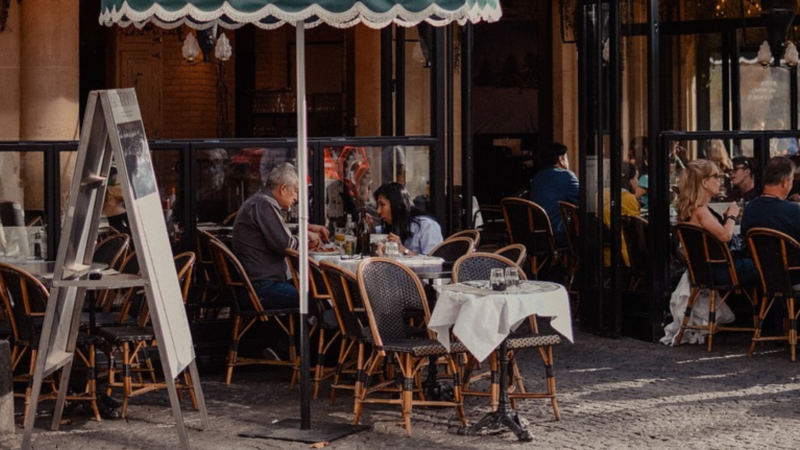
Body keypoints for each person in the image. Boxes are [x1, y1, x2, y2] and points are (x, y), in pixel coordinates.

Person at [232, 163, 329, 310]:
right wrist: (306, 236)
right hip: (260, 288)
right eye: (295, 191)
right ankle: (322, 332)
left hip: (256, 283)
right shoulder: (264, 204)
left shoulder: (260, 201)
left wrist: (306, 228)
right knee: (316, 297)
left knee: (315, 290)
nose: (296, 198)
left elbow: (277, 231)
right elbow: (285, 244)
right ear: (283, 188)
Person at [674, 159, 757, 285]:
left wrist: (724, 220)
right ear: (705, 182)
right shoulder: (701, 211)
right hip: (720, 270)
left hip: (705, 270)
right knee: (766, 265)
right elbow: (725, 236)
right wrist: (732, 216)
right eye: (716, 176)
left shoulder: (693, 209)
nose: (720, 181)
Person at [528, 142, 579, 248]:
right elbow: (584, 200)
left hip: (537, 232)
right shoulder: (566, 176)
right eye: (567, 158)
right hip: (558, 231)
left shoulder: (538, 176)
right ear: (561, 159)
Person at [370, 182, 442, 256]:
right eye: (377, 206)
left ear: (397, 204)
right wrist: (370, 229)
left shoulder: (427, 226)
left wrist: (403, 250)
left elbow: (434, 261)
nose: (378, 211)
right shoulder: (389, 226)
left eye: (382, 204)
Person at [603, 162, 642, 267]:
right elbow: (637, 231)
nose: (637, 182)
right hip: (624, 255)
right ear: (629, 180)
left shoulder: (600, 195)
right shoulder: (628, 199)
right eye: (636, 178)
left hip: (603, 254)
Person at [102, 168, 130, 235]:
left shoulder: (101, 209)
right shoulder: (121, 212)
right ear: (110, 190)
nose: (127, 187)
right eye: (122, 183)